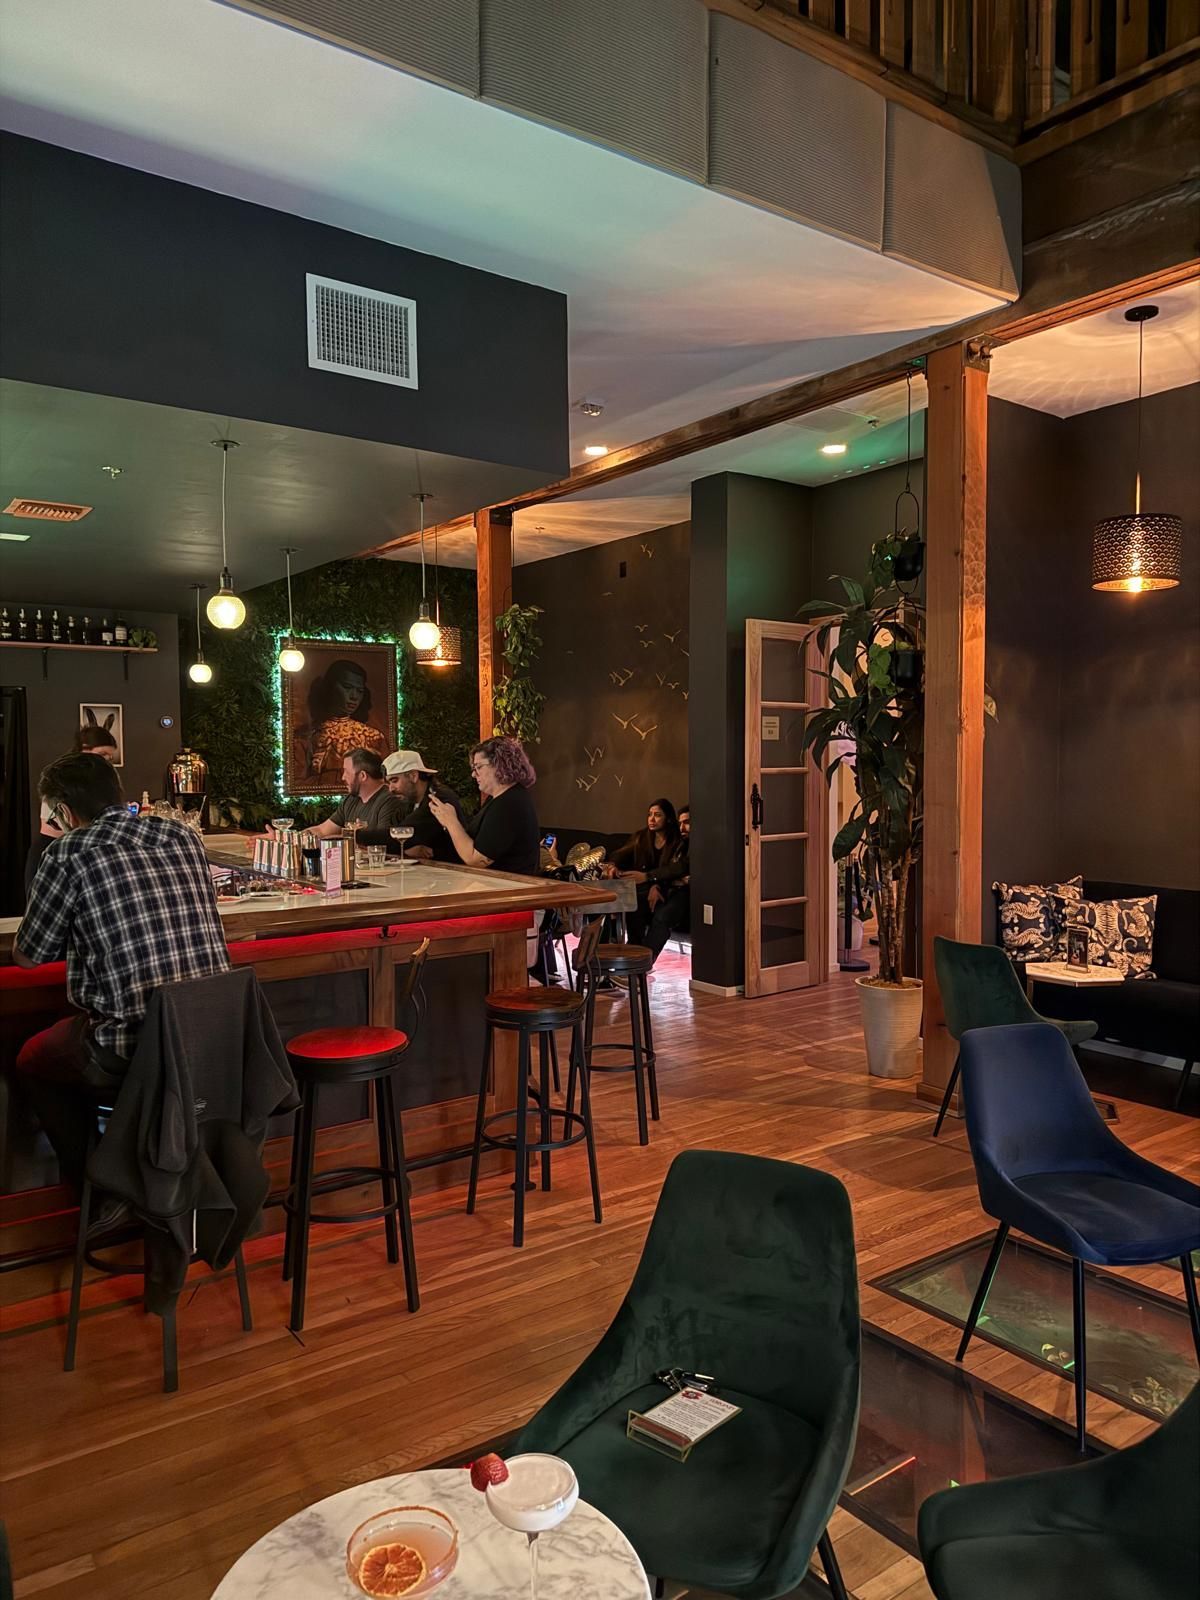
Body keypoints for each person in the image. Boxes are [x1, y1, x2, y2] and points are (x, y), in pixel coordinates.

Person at [10, 753, 231, 1210]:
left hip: (131, 1047)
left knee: (33, 1059)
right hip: (211, 1040)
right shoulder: (180, 836)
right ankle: (135, 1172)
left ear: (64, 812)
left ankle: (101, 1191)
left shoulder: (67, 851)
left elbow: (29, 956)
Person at [25, 724, 120, 894]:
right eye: (102, 754)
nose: (105, 761)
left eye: (109, 757)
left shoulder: (100, 780)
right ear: (84, 749)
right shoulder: (62, 778)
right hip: (52, 848)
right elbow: (51, 826)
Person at [429, 736, 539, 876]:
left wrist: (451, 822)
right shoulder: (500, 799)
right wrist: (447, 821)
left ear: (500, 764)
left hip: (509, 890)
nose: (474, 774)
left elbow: (476, 860)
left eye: (478, 767)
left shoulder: (509, 804)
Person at [603, 798, 686, 950]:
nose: (652, 819)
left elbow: (674, 870)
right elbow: (621, 854)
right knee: (623, 899)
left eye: (657, 815)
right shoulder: (641, 837)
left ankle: (642, 956)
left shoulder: (677, 840)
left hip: (666, 886)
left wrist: (655, 883)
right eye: (650, 815)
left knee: (648, 908)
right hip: (643, 886)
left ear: (667, 818)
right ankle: (622, 949)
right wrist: (613, 865)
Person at [360, 749, 464, 862]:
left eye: (394, 781)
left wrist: (355, 835)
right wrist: (405, 849)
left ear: (413, 776)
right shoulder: (409, 801)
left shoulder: (437, 799)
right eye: (389, 783)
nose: (391, 789)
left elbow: (398, 836)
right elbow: (399, 836)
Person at [293, 659, 388, 778]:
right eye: (347, 687)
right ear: (331, 687)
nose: (354, 696)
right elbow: (298, 782)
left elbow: (386, 779)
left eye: (359, 691)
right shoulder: (305, 737)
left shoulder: (374, 736)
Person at [309, 748, 406, 838]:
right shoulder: (350, 800)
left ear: (362, 776)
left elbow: (384, 842)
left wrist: (352, 838)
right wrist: (298, 837)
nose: (343, 777)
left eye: (346, 772)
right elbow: (322, 831)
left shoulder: (389, 801)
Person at [641, 802, 691, 961]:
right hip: (669, 888)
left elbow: (681, 868)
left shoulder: (702, 844)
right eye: (680, 823)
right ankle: (627, 961)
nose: (682, 827)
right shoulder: (680, 844)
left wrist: (651, 877)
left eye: (687, 823)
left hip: (687, 894)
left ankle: (642, 964)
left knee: (663, 916)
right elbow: (670, 869)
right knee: (634, 907)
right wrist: (655, 884)